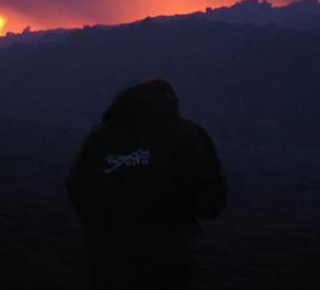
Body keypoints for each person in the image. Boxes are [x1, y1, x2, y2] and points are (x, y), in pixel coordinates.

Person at [66, 79, 227, 289]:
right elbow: (211, 204)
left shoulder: (100, 137)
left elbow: (76, 187)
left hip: (106, 262)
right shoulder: (188, 136)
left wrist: (104, 221)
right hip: (171, 266)